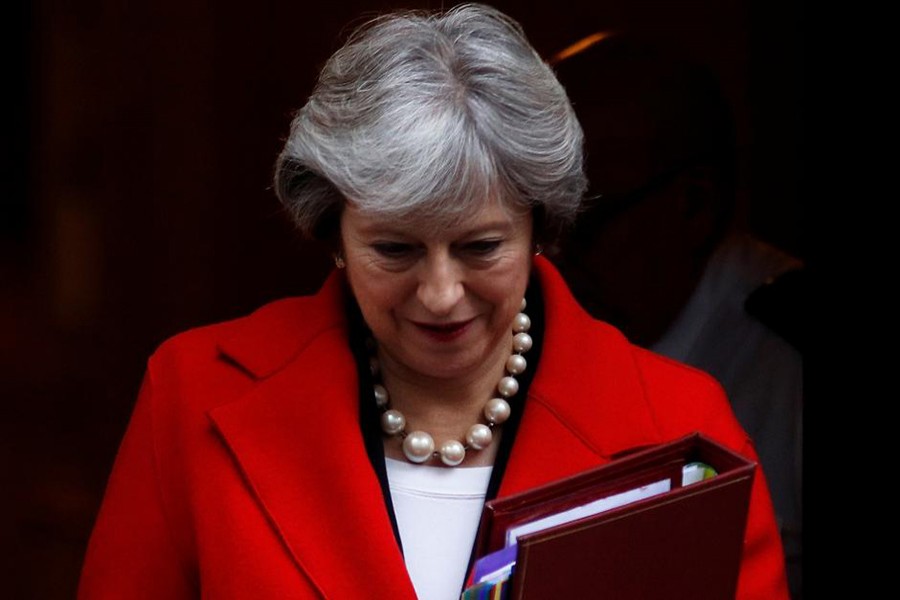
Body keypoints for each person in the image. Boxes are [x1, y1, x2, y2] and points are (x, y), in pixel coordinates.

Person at [77, 5, 789, 599]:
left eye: (481, 247)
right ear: (332, 233)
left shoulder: (684, 425)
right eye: (395, 250)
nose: (442, 295)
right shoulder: (192, 392)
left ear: (541, 227)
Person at [549, 33, 804, 596]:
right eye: (541, 224)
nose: (552, 260)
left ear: (693, 203)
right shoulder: (533, 336)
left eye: (585, 224)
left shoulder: (786, 353)